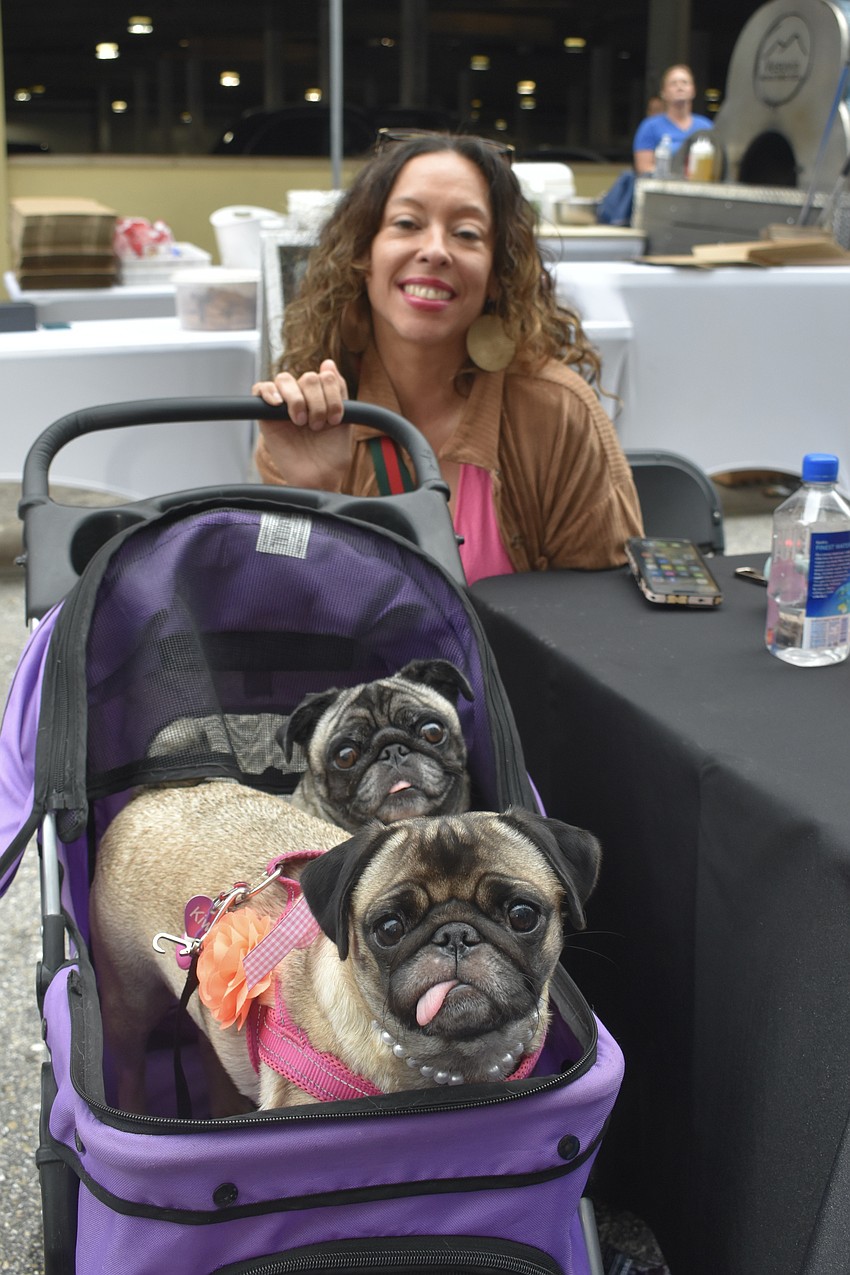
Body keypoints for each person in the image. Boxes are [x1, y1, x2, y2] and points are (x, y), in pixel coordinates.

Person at [252, 131, 643, 583]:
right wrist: (314, 493)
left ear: (497, 275)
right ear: (363, 255)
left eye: (466, 233)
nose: (435, 250)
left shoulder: (556, 413)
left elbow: (603, 609)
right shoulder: (308, 418)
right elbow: (278, 603)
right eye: (407, 224)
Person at [633, 65, 713, 175]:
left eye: (685, 82)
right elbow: (644, 168)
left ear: (693, 90)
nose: (679, 87)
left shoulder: (706, 126)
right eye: (673, 83)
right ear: (663, 93)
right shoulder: (649, 127)